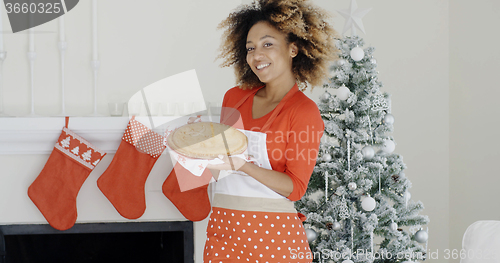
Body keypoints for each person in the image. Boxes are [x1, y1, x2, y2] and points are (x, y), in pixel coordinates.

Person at [204, 0, 339, 262]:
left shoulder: (303, 111)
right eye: (250, 48)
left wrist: (244, 166)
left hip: (274, 239)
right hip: (223, 233)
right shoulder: (234, 98)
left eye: (268, 44)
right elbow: (220, 169)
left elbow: (296, 188)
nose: (256, 56)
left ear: (293, 48)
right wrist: (198, 151)